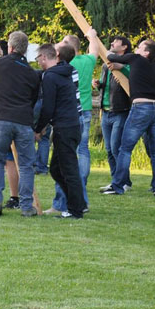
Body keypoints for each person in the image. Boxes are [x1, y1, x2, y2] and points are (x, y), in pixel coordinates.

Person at [103, 39, 155, 196]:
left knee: (125, 148)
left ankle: (118, 185)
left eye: (140, 47)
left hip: (141, 107)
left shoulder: (136, 59)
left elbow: (110, 56)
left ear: (146, 52)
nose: (136, 49)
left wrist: (93, 38)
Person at [0, 31, 41, 216]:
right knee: (26, 165)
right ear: (25, 50)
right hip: (24, 121)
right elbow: (34, 99)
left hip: (2, 118)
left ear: (10, 47)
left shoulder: (0, 63)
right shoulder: (32, 73)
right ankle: (26, 206)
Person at [48, 31, 99, 215]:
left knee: (66, 162)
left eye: (62, 42)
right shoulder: (86, 61)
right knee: (82, 152)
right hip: (83, 111)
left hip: (68, 115)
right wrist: (92, 36)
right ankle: (80, 198)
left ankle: (65, 202)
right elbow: (95, 50)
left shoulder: (64, 64)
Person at [34, 43, 85, 218]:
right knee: (56, 169)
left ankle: (76, 209)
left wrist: (38, 129)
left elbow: (48, 107)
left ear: (44, 57)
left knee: (69, 170)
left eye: (38, 58)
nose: (38, 62)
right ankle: (77, 202)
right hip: (70, 126)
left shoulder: (50, 77)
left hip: (65, 127)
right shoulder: (64, 71)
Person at [96, 36, 132, 191]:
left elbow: (134, 79)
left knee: (117, 147)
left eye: (116, 42)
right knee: (109, 150)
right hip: (106, 111)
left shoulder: (128, 64)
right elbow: (105, 85)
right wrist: (98, 85)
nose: (111, 43)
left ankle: (124, 182)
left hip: (120, 111)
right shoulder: (106, 65)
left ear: (124, 47)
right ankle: (115, 180)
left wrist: (122, 68)